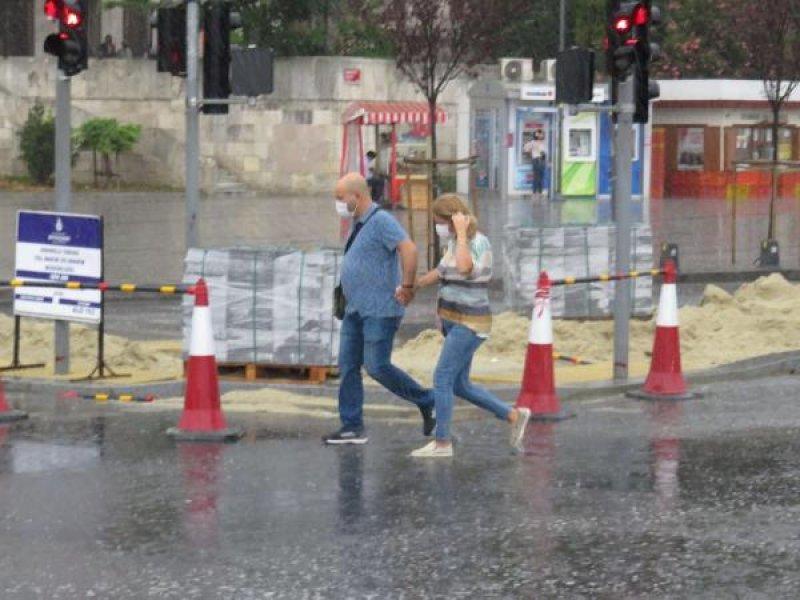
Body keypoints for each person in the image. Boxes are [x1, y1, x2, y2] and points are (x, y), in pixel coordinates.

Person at [407, 194, 531, 458]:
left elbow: (464, 268)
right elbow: (441, 271)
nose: (438, 227)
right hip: (453, 320)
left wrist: (462, 235)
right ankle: (512, 415)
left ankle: (442, 443)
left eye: (440, 222)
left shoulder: (478, 242)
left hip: (470, 323)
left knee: (441, 377)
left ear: (454, 219)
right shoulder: (453, 243)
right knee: (460, 385)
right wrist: (411, 285)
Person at [324, 173, 435, 445]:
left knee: (376, 366)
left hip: (379, 310)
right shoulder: (358, 223)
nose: (337, 203)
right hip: (355, 310)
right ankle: (351, 426)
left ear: (357, 196)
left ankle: (428, 400)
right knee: (348, 366)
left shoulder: (381, 220)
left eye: (340, 198)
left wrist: (408, 286)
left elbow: (408, 250)